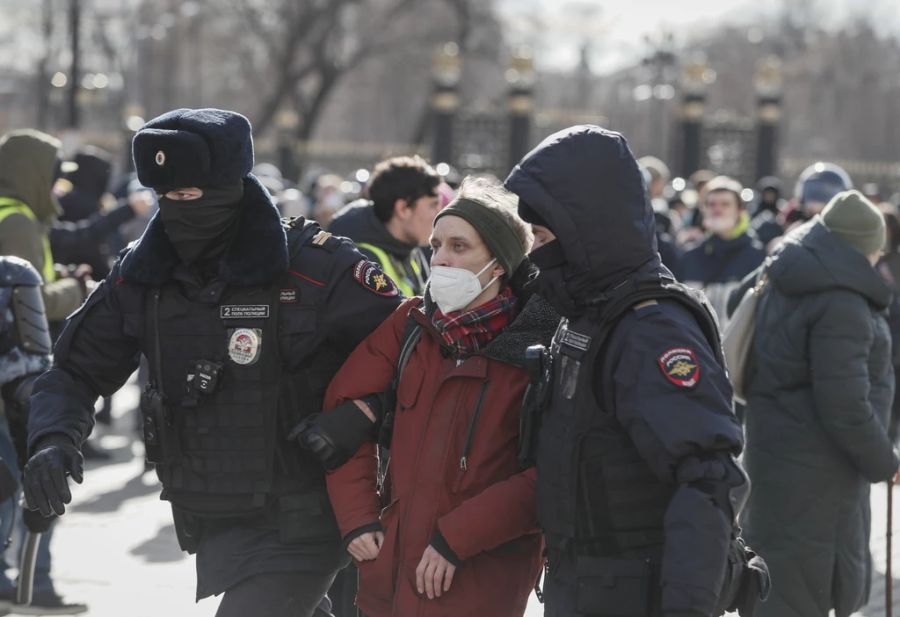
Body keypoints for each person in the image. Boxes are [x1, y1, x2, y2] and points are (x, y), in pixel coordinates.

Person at [21, 108, 402, 617]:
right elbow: (75, 370)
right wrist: (52, 438)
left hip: (308, 511)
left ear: (230, 186)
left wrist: (362, 415)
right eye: (167, 198)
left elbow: (415, 358)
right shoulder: (144, 275)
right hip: (216, 513)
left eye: (192, 196)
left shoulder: (319, 268)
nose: (179, 211)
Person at [504, 125, 758, 617]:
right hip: (585, 586)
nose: (535, 252)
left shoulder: (651, 328)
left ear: (583, 227)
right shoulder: (585, 310)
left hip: (638, 592)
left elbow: (708, 476)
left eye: (542, 235)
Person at [306, 177, 557, 616]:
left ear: (498, 263)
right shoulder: (410, 322)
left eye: (459, 247)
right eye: (436, 244)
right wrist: (358, 517)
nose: (439, 258)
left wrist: (456, 538)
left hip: (483, 575)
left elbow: (551, 470)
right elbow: (346, 414)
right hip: (392, 570)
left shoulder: (538, 343)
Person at [740, 190, 900, 617]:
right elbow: (844, 404)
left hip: (775, 457)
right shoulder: (840, 300)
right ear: (862, 247)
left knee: (775, 584)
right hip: (818, 476)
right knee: (802, 593)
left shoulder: (786, 269)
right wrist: (886, 460)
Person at [0, 130, 90, 323]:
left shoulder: (7, 213)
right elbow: (34, 303)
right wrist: (78, 288)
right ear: (34, 177)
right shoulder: (18, 223)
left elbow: (9, 281)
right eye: (52, 181)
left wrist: (58, 275)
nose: (55, 191)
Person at [329, 156, 441, 297]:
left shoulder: (408, 250)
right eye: (433, 205)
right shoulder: (362, 260)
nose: (439, 213)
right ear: (403, 208)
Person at [676, 176, 766, 326]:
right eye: (711, 204)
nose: (717, 210)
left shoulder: (757, 256)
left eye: (725, 204)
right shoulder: (689, 256)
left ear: (740, 211)